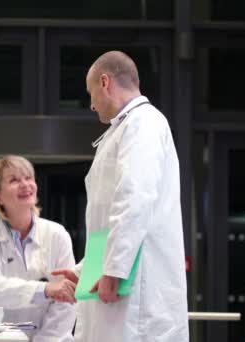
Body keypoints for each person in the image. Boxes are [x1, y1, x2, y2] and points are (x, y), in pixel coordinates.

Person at [53, 50, 189, 341]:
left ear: (105, 82)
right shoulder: (124, 128)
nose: (91, 105)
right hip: (120, 278)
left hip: (138, 290)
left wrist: (114, 270)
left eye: (91, 94)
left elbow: (134, 199)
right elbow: (109, 220)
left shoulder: (144, 123)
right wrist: (87, 268)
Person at [0, 155, 76, 342]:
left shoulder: (57, 233)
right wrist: (45, 289)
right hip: (3, 338)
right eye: (14, 180)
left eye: (29, 178)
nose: (25, 185)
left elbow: (67, 302)